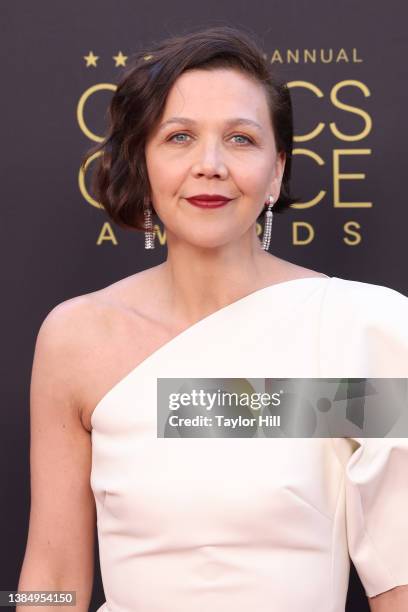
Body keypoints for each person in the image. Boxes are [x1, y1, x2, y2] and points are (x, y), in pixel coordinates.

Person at [18, 25, 408, 612]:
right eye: (178, 137)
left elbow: (398, 577)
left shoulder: (360, 328)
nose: (210, 164)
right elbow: (52, 576)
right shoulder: (77, 339)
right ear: (143, 165)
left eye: (241, 139)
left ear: (277, 171)